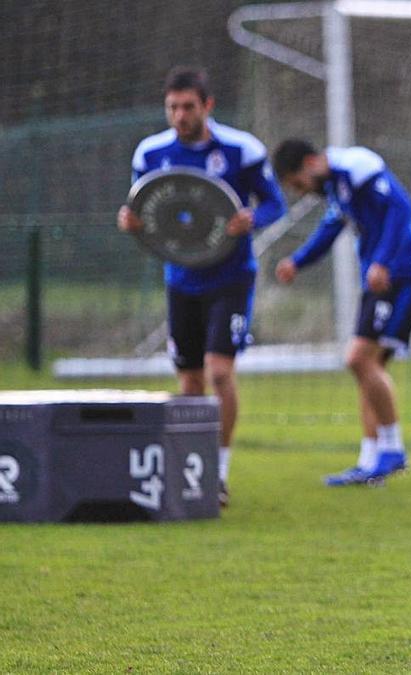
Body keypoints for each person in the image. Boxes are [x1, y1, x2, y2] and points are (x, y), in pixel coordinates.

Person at [117, 66, 287, 508]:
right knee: (190, 380)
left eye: (188, 107)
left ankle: (220, 470)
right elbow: (145, 212)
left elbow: (273, 203)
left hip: (231, 277)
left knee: (219, 372)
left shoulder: (240, 149)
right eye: (172, 107)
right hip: (180, 280)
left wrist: (253, 219)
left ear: (207, 106)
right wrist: (129, 222)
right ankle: (193, 471)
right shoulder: (150, 153)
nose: (179, 115)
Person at [271, 140, 411, 487]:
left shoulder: (356, 166)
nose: (301, 192)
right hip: (379, 281)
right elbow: (330, 229)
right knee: (367, 369)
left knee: (359, 360)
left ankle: (392, 450)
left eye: (299, 184)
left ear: (312, 163)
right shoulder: (337, 189)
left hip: (402, 277)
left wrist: (382, 261)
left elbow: (402, 207)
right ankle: (371, 459)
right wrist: (296, 262)